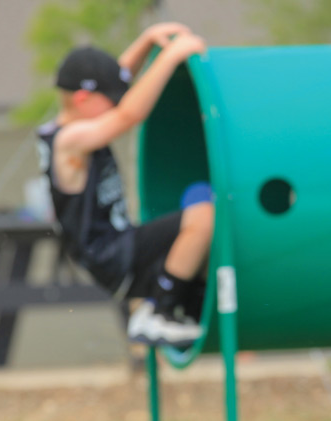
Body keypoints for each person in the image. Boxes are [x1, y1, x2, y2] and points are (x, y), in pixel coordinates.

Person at [36, 23, 214, 347]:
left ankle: (181, 302)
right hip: (112, 255)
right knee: (203, 215)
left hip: (117, 248)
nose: (119, 101)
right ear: (82, 98)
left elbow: (115, 79)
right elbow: (128, 115)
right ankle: (160, 310)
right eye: (112, 98)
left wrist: (147, 41)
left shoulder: (77, 119)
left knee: (202, 203)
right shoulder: (69, 140)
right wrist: (171, 56)